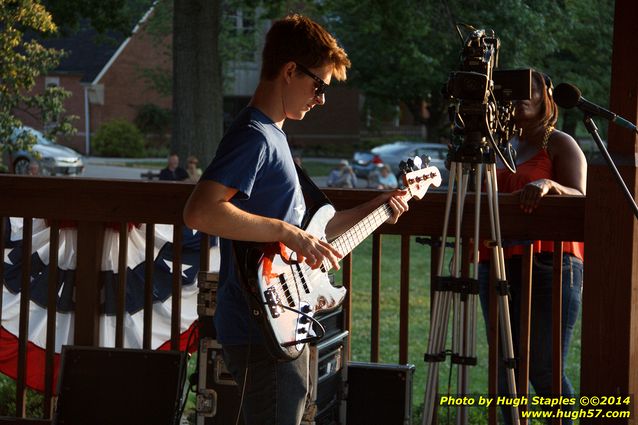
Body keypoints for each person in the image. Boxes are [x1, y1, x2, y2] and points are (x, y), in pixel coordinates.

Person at [183, 14, 409, 425]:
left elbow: (317, 231)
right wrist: (286, 232)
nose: (321, 98)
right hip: (257, 324)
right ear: (289, 71)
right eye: (318, 85)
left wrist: (379, 207)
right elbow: (201, 211)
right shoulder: (254, 135)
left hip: (284, 319)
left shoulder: (275, 136)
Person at [477, 70, 586, 424]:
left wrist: (550, 184)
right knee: (506, 369)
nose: (520, 96)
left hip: (550, 266)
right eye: (511, 89)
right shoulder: (493, 144)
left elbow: (582, 197)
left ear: (545, 95)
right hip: (496, 262)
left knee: (543, 369)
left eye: (531, 89)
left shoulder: (559, 143)